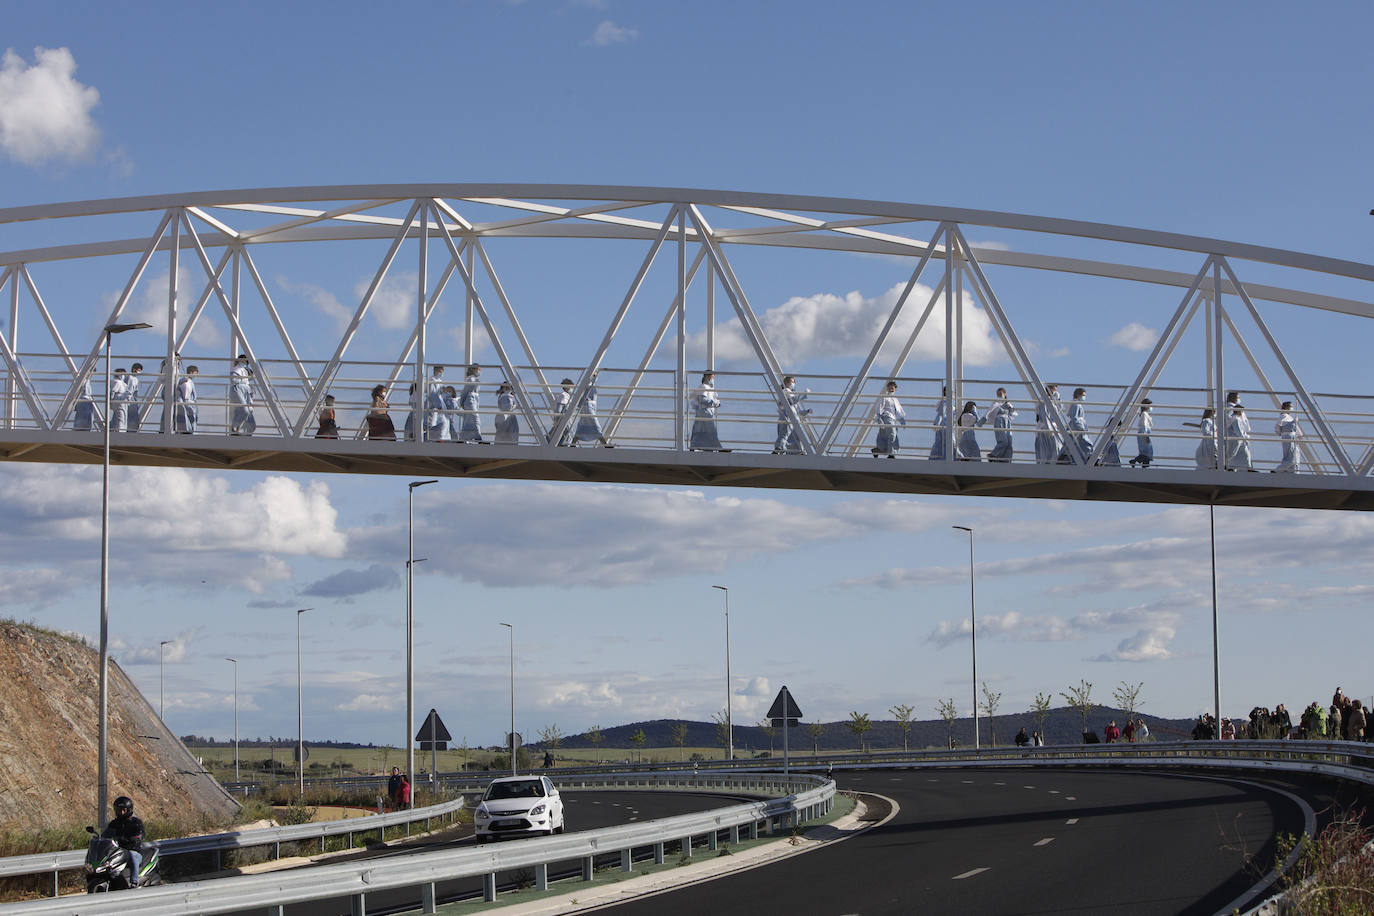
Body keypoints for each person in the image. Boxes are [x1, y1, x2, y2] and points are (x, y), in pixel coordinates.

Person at [102, 796, 149, 887]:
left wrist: (135, 837)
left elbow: (141, 833)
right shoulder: (114, 823)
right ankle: (111, 880)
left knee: (131, 854)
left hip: (133, 850)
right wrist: (100, 839)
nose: (121, 812)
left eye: (123, 810)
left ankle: (134, 882)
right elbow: (106, 834)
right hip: (118, 852)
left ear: (129, 810)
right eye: (119, 810)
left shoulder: (135, 822)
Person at [772, 375, 810, 455]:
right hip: (787, 418)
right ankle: (778, 449)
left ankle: (798, 452)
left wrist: (806, 411)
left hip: (792, 419)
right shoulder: (785, 391)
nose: (794, 384)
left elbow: (796, 410)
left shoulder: (789, 392)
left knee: (796, 437)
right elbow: (792, 401)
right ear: (786, 383)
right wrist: (804, 395)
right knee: (784, 434)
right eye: (793, 382)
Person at [574, 370, 611, 446]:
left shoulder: (590, 385)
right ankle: (605, 444)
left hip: (588, 406)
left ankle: (573, 443)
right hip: (588, 406)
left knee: (582, 425)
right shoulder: (588, 384)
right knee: (596, 426)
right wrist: (595, 374)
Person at [690, 370, 725, 451]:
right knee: (711, 431)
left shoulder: (708, 388)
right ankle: (719, 448)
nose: (713, 379)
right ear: (707, 376)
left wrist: (716, 402)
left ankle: (697, 447)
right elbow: (702, 399)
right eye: (712, 377)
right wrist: (715, 402)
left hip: (705, 413)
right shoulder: (703, 387)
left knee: (699, 431)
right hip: (705, 413)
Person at [1059, 387, 1094, 463]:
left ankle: (1065, 456)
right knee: (1085, 442)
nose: (1084, 397)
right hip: (1077, 426)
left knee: (1072, 443)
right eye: (1083, 395)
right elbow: (1074, 417)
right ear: (1078, 395)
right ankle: (1089, 456)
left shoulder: (1076, 404)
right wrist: (1080, 427)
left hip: (1076, 426)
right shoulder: (1076, 405)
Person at [872, 380, 905, 458]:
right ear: (887, 388)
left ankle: (877, 450)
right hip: (886, 418)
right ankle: (891, 454)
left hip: (893, 420)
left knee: (884, 436)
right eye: (890, 388)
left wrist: (902, 420)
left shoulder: (895, 399)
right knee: (892, 435)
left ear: (895, 389)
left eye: (893, 388)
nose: (891, 389)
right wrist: (879, 419)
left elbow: (899, 410)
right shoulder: (885, 397)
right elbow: (879, 408)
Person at [982, 388, 1017, 462]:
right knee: (1003, 441)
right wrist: (983, 420)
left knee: (1009, 443)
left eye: (1000, 394)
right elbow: (989, 411)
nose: (999, 396)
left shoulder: (1008, 404)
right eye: (998, 394)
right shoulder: (996, 402)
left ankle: (1006, 459)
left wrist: (1010, 410)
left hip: (1007, 422)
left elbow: (1013, 413)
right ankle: (994, 455)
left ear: (1005, 394)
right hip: (999, 421)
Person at [1034, 384, 1062, 465]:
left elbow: (1059, 410)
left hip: (1053, 427)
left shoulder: (1053, 401)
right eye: (1054, 390)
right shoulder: (1044, 401)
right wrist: (1049, 429)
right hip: (1047, 428)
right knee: (1047, 449)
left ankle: (1053, 462)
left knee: (1055, 448)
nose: (1056, 392)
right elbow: (1043, 415)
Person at [229, 354, 257, 436]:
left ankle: (242, 432)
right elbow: (234, 381)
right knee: (244, 411)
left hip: (245, 391)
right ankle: (235, 429)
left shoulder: (244, 371)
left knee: (248, 417)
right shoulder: (236, 370)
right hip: (239, 390)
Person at [458, 364, 485, 443]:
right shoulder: (471, 379)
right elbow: (465, 391)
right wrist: (462, 401)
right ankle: (478, 437)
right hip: (470, 401)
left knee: (468, 420)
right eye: (478, 370)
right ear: (474, 370)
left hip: (473, 401)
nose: (479, 372)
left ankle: (463, 438)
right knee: (475, 418)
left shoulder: (475, 379)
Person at [1273, 402, 1303, 473]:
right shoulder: (1284, 416)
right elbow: (1278, 426)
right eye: (1291, 407)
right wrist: (1293, 422)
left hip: (1292, 436)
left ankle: (1292, 470)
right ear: (1286, 408)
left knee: (1295, 454)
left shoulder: (1290, 417)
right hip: (1288, 436)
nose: (1292, 408)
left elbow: (1297, 430)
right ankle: (1279, 469)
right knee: (1290, 455)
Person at [1226, 403, 1253, 470]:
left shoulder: (1234, 418)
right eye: (1242, 411)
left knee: (1241, 454)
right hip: (1237, 441)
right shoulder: (1236, 419)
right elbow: (1238, 431)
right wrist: (1245, 439)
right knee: (1239, 454)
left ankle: (1246, 467)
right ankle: (1247, 467)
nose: (1242, 413)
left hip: (1238, 440)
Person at [1129, 399, 1154, 467]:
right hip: (1144, 432)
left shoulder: (1144, 414)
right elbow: (1144, 425)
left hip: (1143, 432)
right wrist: (1146, 436)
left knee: (1145, 452)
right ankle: (1136, 461)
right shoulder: (1144, 414)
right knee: (1146, 452)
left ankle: (1142, 465)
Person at [549, 378, 574, 445]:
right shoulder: (563, 395)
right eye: (571, 387)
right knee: (567, 432)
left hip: (566, 418)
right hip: (563, 418)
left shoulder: (567, 396)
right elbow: (558, 408)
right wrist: (557, 418)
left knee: (566, 433)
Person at [426, 366, 449, 442]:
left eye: (442, 372)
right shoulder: (432, 380)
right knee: (433, 423)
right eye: (440, 371)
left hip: (439, 405)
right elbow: (432, 394)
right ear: (435, 371)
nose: (441, 373)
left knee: (442, 422)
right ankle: (435, 439)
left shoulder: (439, 381)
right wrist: (438, 405)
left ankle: (441, 438)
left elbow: (442, 392)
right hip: (433, 405)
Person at [174, 366, 198, 434]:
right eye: (195, 373)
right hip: (188, 406)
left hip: (188, 406)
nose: (196, 375)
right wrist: (192, 404)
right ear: (191, 372)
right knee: (189, 423)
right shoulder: (186, 383)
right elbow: (186, 397)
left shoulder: (186, 381)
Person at [494, 381, 519, 445]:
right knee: (508, 436)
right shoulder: (506, 396)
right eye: (506, 387)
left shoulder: (504, 396)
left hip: (506, 416)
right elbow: (507, 408)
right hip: (507, 417)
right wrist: (515, 406)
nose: (507, 388)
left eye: (508, 387)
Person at [930, 386, 950, 460]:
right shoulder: (945, 402)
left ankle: (933, 460)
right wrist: (937, 424)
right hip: (944, 427)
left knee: (939, 445)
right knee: (943, 445)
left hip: (944, 426)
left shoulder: (946, 402)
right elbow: (940, 414)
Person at [126, 363, 144, 431]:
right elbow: (129, 390)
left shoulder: (135, 379)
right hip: (131, 401)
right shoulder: (130, 378)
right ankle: (131, 430)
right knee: (133, 418)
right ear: (134, 369)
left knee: (133, 418)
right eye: (138, 370)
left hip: (133, 401)